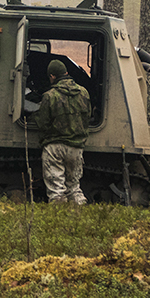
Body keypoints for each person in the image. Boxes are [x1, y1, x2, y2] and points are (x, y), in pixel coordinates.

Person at [33, 59, 90, 204]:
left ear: (52, 76)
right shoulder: (83, 93)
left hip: (55, 146)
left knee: (56, 190)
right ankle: (79, 215)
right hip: (76, 147)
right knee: (74, 187)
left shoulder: (49, 96)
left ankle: (58, 218)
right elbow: (87, 117)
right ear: (66, 73)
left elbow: (43, 123)